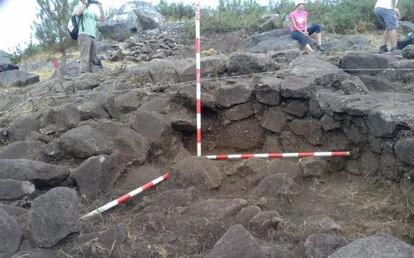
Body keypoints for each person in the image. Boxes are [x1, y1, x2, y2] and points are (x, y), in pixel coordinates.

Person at [74, 0, 105, 74]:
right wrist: (85, 3)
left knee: (93, 58)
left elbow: (102, 19)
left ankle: (92, 76)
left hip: (93, 36)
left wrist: (100, 8)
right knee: (85, 57)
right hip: (84, 34)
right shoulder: (78, 6)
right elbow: (77, 13)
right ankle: (83, 77)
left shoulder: (91, 11)